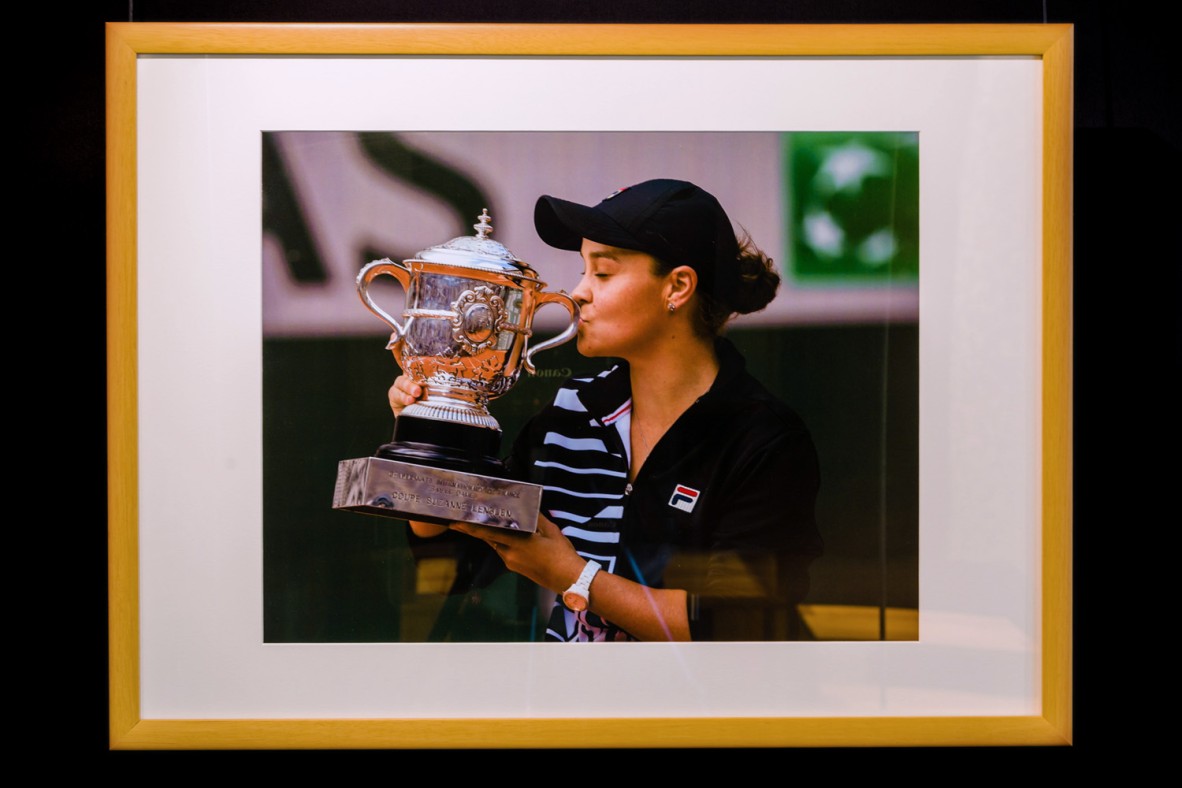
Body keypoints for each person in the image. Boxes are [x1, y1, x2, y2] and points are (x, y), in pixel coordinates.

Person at [390, 178, 822, 642]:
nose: (578, 293)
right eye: (583, 270)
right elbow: (456, 570)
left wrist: (575, 578)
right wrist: (430, 430)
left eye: (603, 273)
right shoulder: (570, 414)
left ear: (677, 287)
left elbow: (739, 628)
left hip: (695, 713)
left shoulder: (762, 438)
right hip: (571, 708)